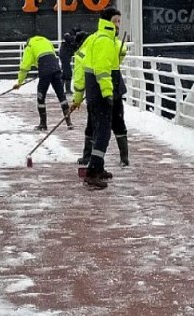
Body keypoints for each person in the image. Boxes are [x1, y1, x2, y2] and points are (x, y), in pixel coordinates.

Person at [70, 8, 121, 189]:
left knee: (99, 131)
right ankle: (92, 172)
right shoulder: (105, 41)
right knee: (103, 133)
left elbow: (85, 66)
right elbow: (102, 69)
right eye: (116, 21)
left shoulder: (94, 38)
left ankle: (98, 167)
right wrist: (108, 93)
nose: (118, 25)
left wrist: (78, 96)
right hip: (100, 93)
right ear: (108, 22)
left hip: (92, 92)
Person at [74, 28, 129, 168]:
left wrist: (78, 98)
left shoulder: (82, 53)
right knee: (118, 121)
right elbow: (121, 52)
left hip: (96, 92)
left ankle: (88, 157)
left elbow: (80, 78)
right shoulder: (105, 40)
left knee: (93, 124)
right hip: (114, 85)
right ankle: (124, 157)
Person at [14, 35, 73, 131]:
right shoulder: (46, 41)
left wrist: (20, 82)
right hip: (55, 68)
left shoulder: (30, 46)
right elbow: (51, 55)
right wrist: (44, 69)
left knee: (41, 97)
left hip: (45, 70)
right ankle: (69, 122)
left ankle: (43, 124)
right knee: (61, 95)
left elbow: (25, 66)